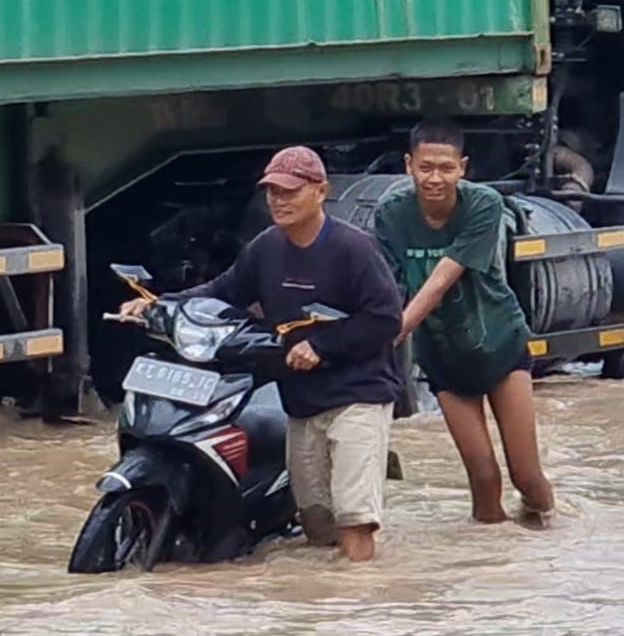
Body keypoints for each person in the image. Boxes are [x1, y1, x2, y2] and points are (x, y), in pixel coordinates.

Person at [121, 146, 404, 561]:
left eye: (289, 191)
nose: (278, 200)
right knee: (317, 522)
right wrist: (159, 304)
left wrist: (321, 346)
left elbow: (385, 320)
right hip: (302, 401)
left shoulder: (353, 250)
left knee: (353, 520)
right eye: (272, 191)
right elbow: (222, 291)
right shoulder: (267, 247)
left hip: (358, 397)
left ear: (320, 191)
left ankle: (359, 605)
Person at [373, 119, 555, 527]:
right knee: (483, 478)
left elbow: (440, 281)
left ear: (463, 168)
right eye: (425, 167)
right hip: (444, 359)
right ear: (408, 165)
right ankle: (491, 567)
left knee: (527, 478)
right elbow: (387, 286)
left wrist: (392, 334)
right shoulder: (390, 214)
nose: (435, 178)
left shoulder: (484, 204)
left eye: (446, 168)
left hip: (500, 347)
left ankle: (550, 531)